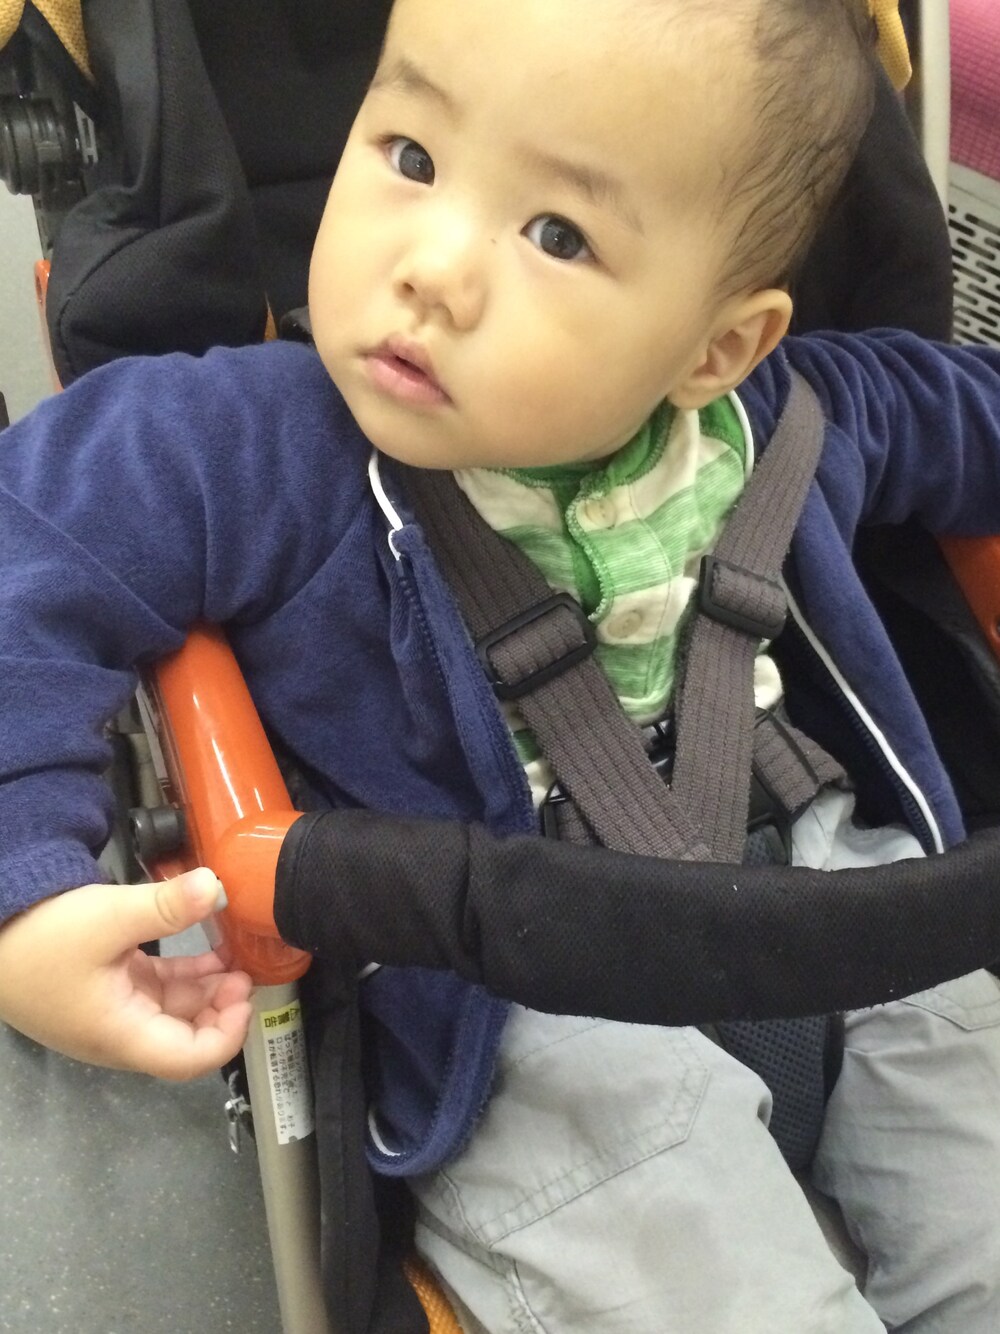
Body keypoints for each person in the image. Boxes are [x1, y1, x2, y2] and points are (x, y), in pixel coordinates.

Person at [1, 0, 1000, 1328]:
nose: (431, 270)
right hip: (520, 1001)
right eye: (411, 157)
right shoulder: (247, 440)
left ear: (716, 348)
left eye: (558, 236)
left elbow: (972, 413)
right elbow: (28, 552)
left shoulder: (798, 415)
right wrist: (27, 888)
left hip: (852, 905)